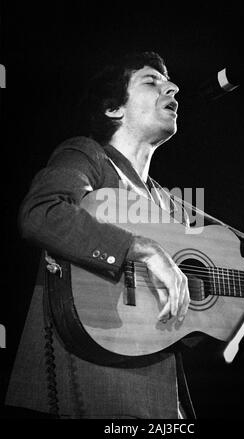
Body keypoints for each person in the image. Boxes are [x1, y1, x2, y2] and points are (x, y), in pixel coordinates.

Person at [5, 51, 197, 419]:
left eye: (170, 82)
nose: (172, 87)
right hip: (87, 384)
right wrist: (141, 249)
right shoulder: (88, 156)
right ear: (114, 109)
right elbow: (42, 213)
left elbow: (206, 308)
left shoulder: (170, 204)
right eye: (151, 81)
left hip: (161, 401)